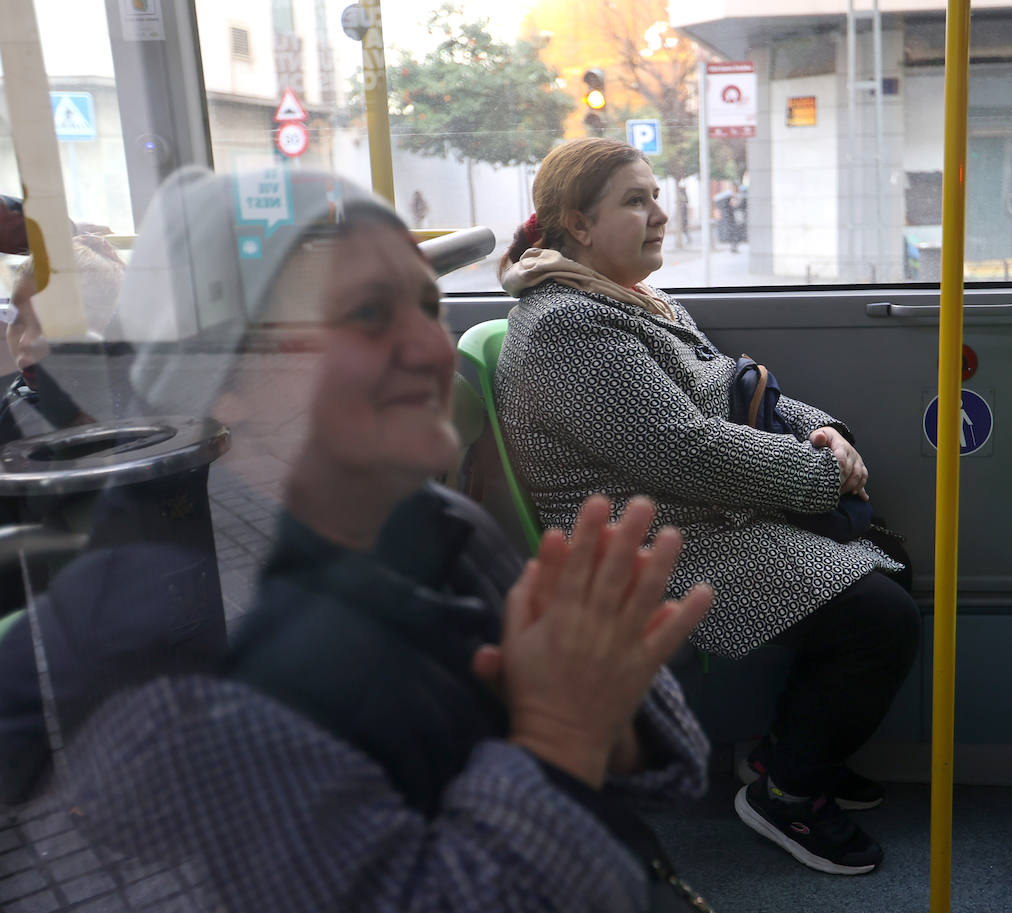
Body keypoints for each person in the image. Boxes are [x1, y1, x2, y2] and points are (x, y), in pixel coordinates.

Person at [30, 167, 718, 913]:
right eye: (365, 315)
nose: (432, 350)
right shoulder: (185, 638)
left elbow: (664, 767)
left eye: (427, 307)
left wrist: (598, 699)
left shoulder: (431, 520)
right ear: (219, 382)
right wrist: (559, 735)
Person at [494, 137, 921, 876]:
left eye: (655, 195)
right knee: (882, 619)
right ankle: (787, 794)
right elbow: (682, 448)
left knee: (890, 568)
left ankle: (789, 754)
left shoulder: (630, 297)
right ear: (579, 223)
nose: (660, 214)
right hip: (650, 542)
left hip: (695, 513)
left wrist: (821, 431)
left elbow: (731, 382)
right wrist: (822, 477)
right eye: (636, 200)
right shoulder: (567, 326)